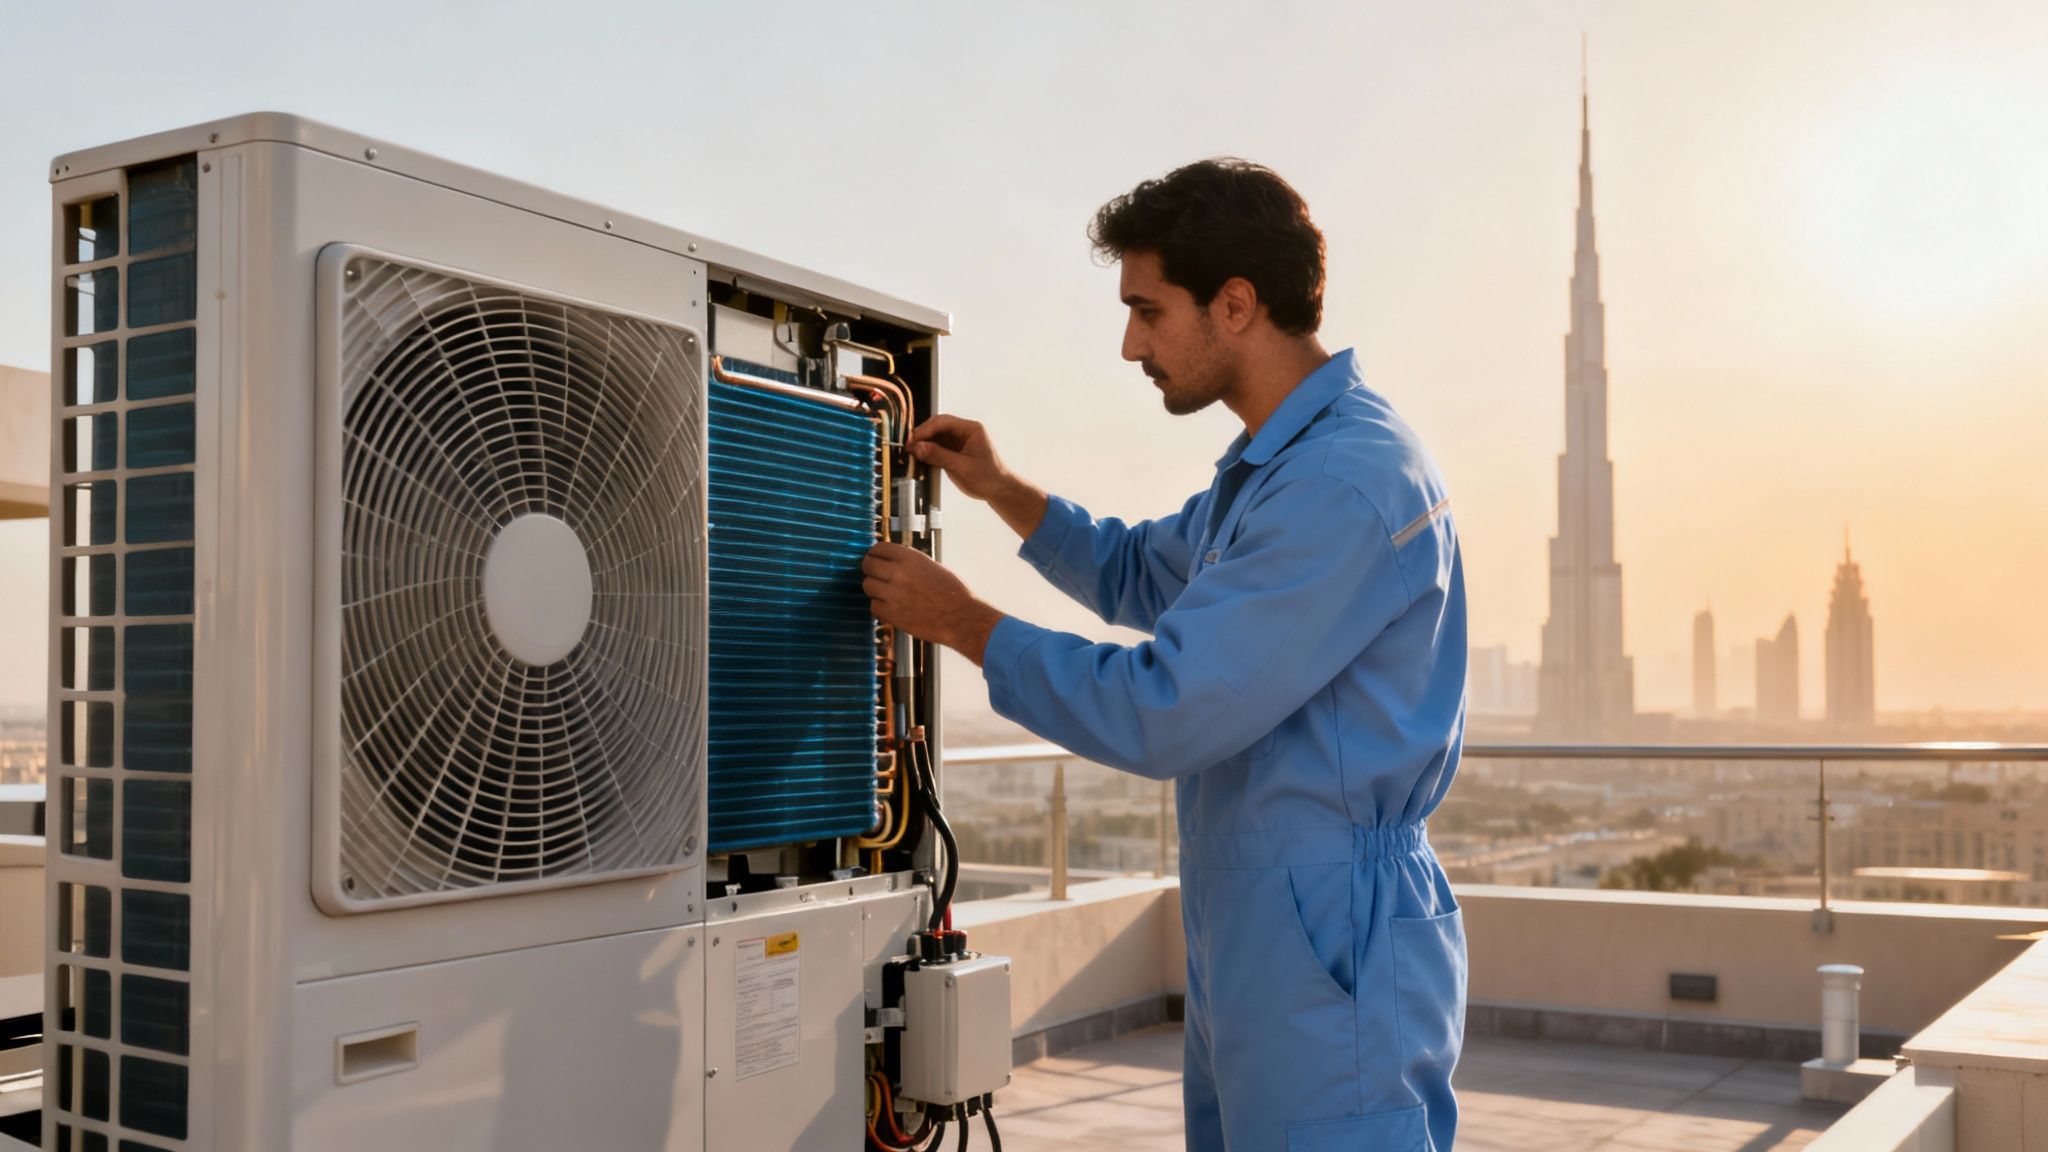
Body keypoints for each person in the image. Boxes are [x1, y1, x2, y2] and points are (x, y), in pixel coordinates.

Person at [863, 159, 1467, 1152]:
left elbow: (1166, 708)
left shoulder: (1341, 484)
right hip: (1262, 931)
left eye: (1147, 310)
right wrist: (1001, 489)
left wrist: (963, 623)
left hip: (1328, 943)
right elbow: (1142, 570)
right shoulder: (1277, 467)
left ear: (1234, 304)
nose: (1128, 343)